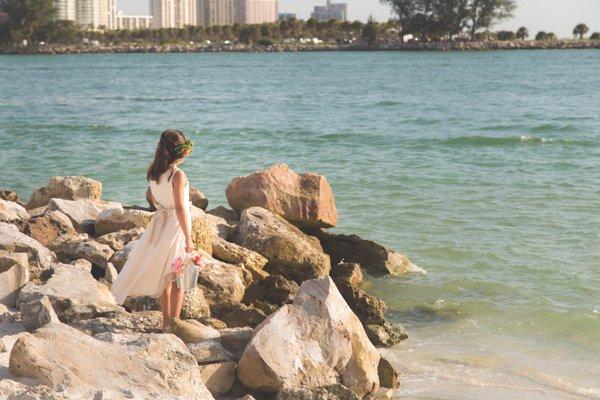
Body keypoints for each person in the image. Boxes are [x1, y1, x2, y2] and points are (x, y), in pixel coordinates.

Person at [111, 129, 196, 332]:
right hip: (175, 226)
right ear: (182, 151)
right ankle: (175, 324)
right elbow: (181, 208)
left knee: (166, 278)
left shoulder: (154, 173)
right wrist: (189, 237)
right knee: (178, 278)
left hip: (159, 225)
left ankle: (166, 322)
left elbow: (156, 200)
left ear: (163, 149)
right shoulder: (178, 175)